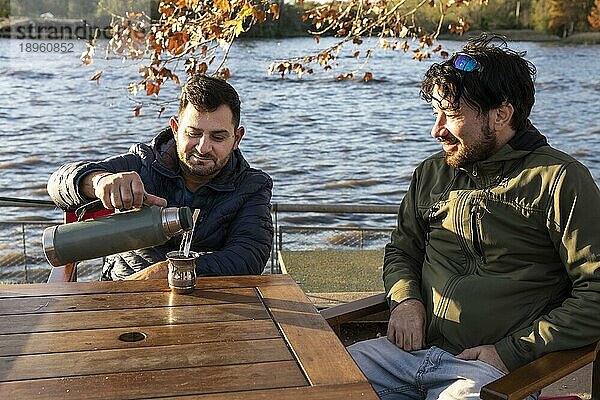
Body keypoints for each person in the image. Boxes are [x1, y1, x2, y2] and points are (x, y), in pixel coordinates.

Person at [347, 34, 600, 399]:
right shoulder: (432, 172)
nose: (437, 130)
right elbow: (403, 251)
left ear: (501, 114)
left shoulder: (560, 180)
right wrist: (405, 301)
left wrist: (511, 352)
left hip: (485, 369)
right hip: (401, 355)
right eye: (436, 114)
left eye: (451, 115)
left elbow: (595, 291)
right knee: (313, 380)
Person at [47, 75, 273, 280]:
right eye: (193, 133)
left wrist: (170, 269)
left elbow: (249, 256)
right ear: (175, 128)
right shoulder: (142, 163)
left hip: (206, 303)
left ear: (237, 138)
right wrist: (98, 182)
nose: (204, 147)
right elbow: (57, 184)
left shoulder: (252, 186)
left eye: (218, 137)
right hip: (122, 294)